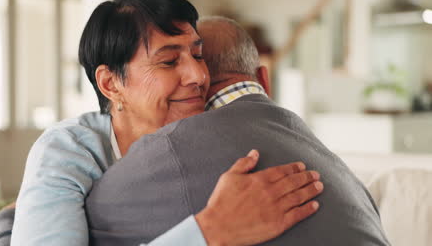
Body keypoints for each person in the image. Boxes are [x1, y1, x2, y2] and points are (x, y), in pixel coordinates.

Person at [0, 0, 321, 246]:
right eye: (168, 62)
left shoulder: (213, 132)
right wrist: (209, 232)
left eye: (197, 55)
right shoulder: (69, 149)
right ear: (111, 83)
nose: (198, 75)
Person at [84, 16, 391, 245]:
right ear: (263, 79)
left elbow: (86, 223)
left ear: (196, 81)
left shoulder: (171, 149)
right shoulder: (336, 166)